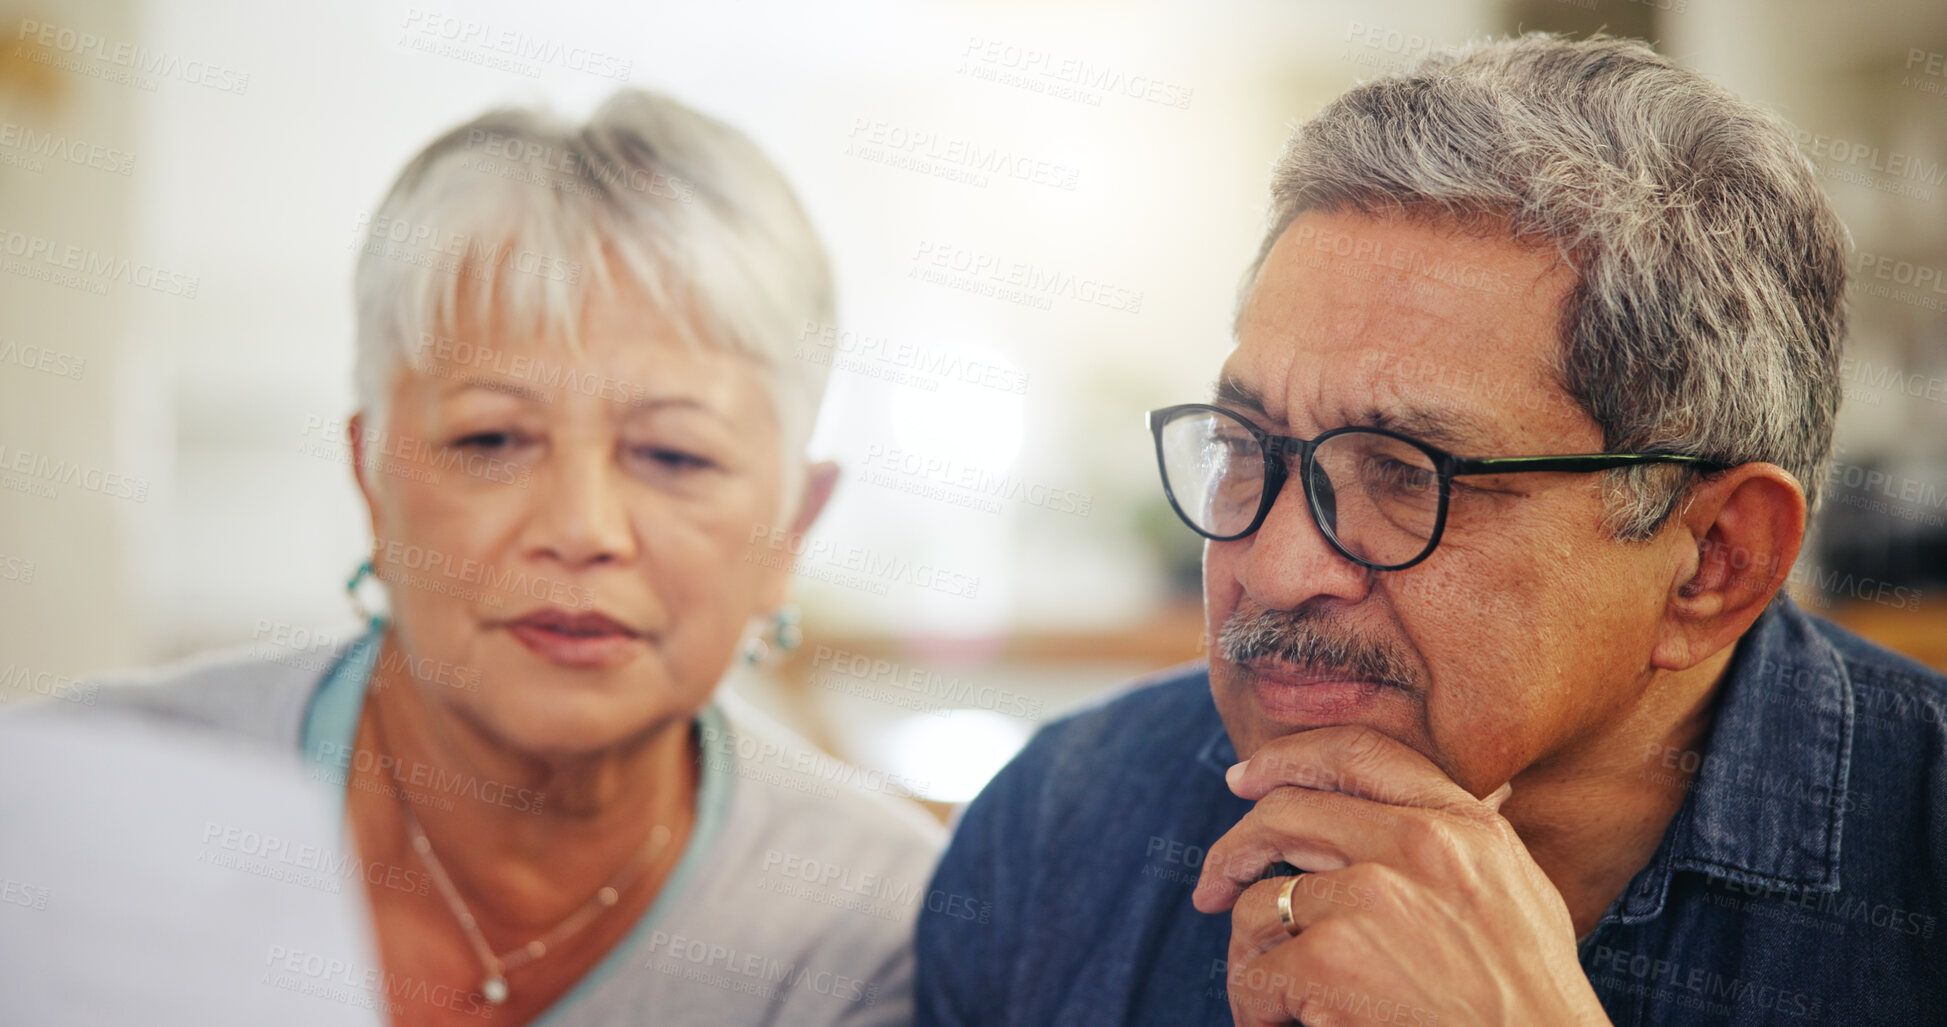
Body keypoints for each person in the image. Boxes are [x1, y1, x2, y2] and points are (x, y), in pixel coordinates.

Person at [916, 34, 1947, 1026]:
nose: (1274, 568)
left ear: (1714, 562)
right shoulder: (1060, 832)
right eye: (1245, 445)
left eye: (1406, 476)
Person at [28, 88, 941, 1026]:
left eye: (673, 455)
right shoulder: (72, 807)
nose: (582, 527)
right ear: (371, 478)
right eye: (491, 440)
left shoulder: (873, 923)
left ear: (791, 526)